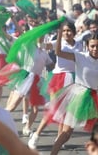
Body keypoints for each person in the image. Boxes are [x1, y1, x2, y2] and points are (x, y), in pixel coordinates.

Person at [36, 27, 98, 155]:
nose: (95, 49)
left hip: (95, 96)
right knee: (66, 132)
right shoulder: (80, 56)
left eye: (97, 46)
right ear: (87, 46)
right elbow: (58, 52)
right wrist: (59, 34)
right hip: (79, 97)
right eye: (92, 46)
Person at [28, 21, 83, 149]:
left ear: (74, 32)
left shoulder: (80, 44)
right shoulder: (58, 42)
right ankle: (36, 135)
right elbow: (41, 45)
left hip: (74, 79)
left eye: (68, 30)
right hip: (59, 78)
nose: (66, 33)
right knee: (54, 109)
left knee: (65, 112)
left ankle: (59, 138)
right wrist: (43, 32)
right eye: (63, 31)